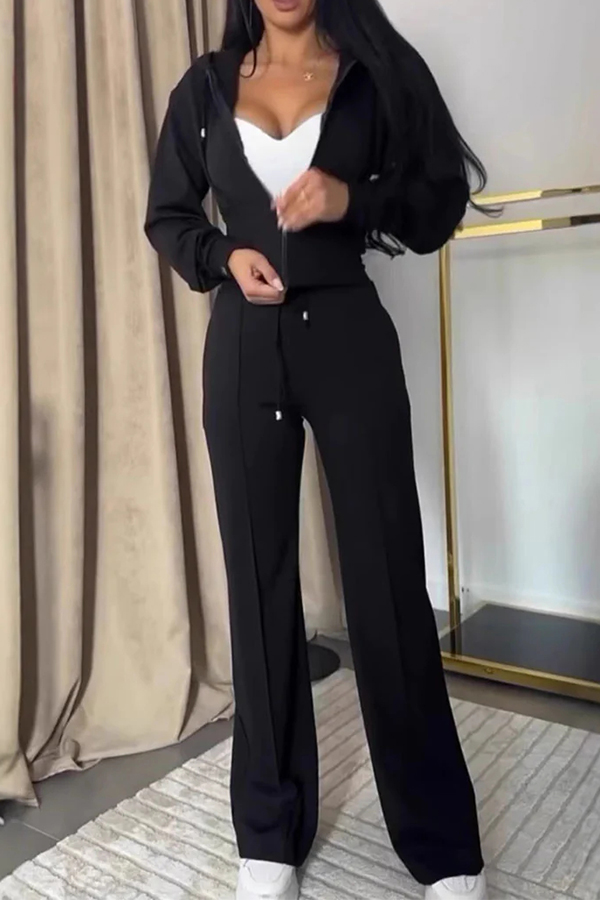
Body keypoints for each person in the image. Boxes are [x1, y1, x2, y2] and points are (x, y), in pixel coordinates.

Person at [145, 1, 489, 898]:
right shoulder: (204, 90)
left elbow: (438, 201)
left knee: (386, 582)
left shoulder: (376, 73)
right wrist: (223, 257)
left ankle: (442, 846)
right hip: (243, 350)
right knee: (258, 585)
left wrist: (351, 199)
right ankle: (268, 834)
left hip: (347, 336)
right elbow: (168, 215)